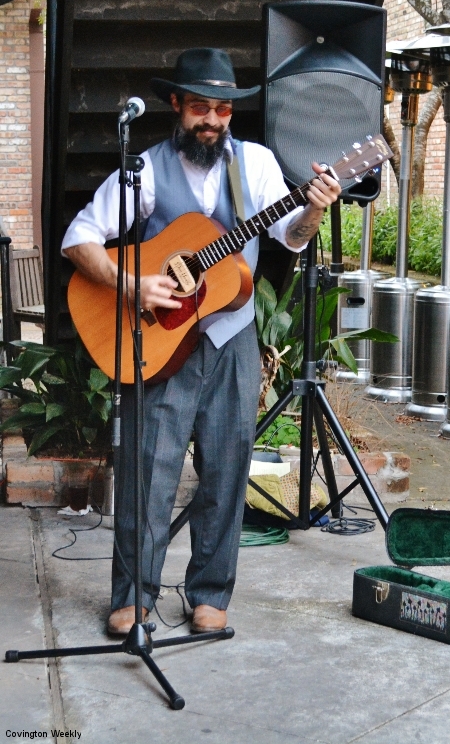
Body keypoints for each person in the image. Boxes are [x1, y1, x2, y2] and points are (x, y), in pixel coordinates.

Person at [62, 48, 341, 636]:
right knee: (148, 471)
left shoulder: (256, 165)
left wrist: (313, 212)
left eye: (222, 109)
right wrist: (132, 284)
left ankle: (210, 593)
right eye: (199, 107)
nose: (211, 120)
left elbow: (289, 236)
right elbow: (78, 238)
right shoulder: (144, 170)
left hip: (232, 339)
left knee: (226, 469)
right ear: (176, 105)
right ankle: (134, 595)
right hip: (160, 341)